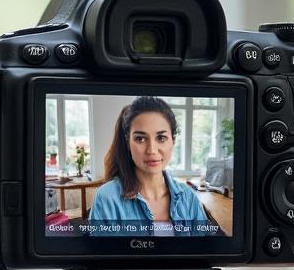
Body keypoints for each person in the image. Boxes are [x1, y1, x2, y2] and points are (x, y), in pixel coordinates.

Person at [86, 96, 210, 235]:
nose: (151, 150)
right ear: (128, 143)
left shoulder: (189, 198)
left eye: (161, 138)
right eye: (140, 138)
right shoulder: (107, 199)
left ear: (173, 141)